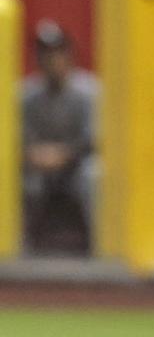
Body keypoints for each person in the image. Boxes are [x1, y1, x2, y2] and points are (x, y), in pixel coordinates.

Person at [21, 19, 98, 254]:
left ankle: (100, 246)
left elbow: (94, 140)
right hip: (38, 167)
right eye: (45, 54)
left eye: (57, 53)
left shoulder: (89, 91)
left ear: (69, 55)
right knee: (22, 180)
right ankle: (19, 248)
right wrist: (33, 155)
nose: (52, 59)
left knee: (93, 174)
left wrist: (64, 155)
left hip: (77, 165)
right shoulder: (27, 95)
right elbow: (19, 140)